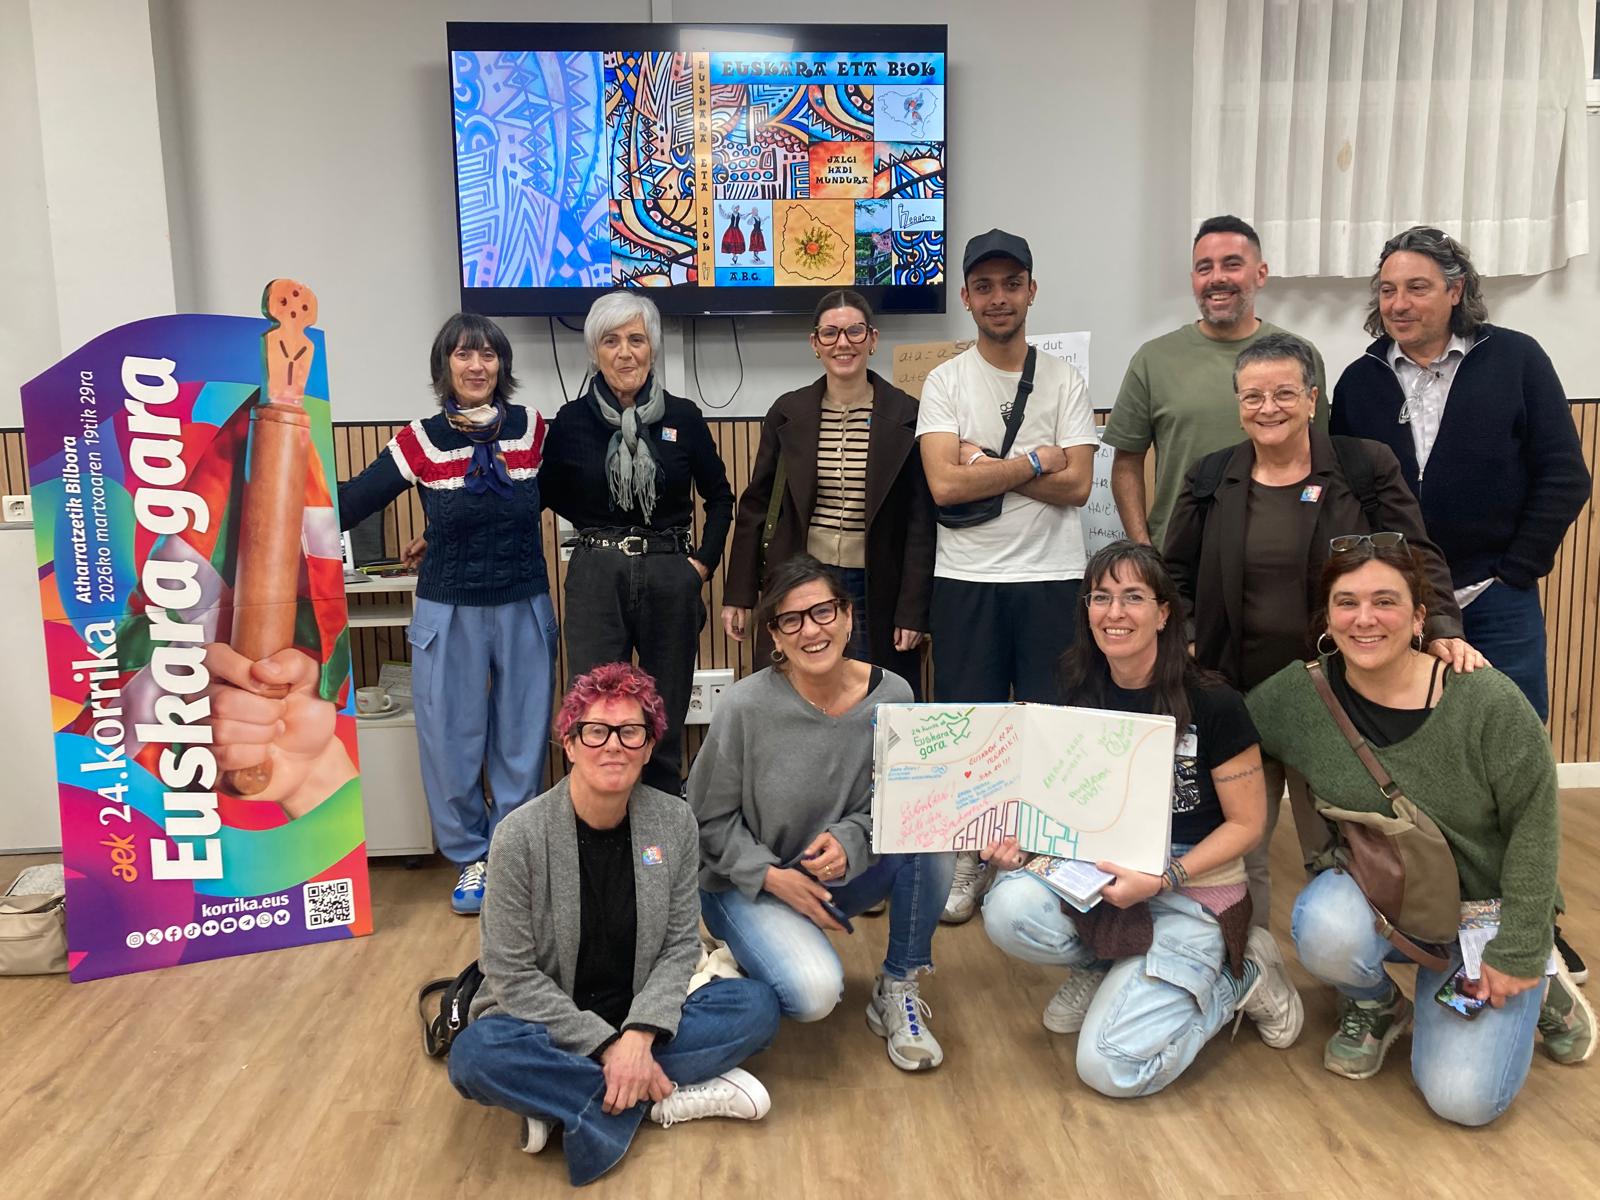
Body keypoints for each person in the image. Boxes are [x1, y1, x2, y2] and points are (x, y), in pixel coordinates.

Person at [1246, 539, 1594, 1125]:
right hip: (1393, 894)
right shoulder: (1297, 697)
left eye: (1385, 601)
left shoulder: (1486, 699)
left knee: (1463, 1100)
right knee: (1323, 927)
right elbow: (1223, 732)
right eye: (1347, 602)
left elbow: (1535, 830)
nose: (1365, 618)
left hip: (1487, 912)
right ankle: (1378, 1005)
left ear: (1418, 618)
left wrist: (1518, 948)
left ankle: (1542, 980)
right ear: (1327, 619)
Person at [1330, 227, 1593, 983]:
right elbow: (1345, 494)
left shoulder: (1516, 360)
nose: (1399, 302)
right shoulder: (1360, 381)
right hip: (1398, 616)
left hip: (1494, 600)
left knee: (1515, 769)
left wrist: (1517, 571)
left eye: (1417, 287)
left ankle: (1535, 924)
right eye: (1387, 289)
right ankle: (1432, 919)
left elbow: (1564, 475)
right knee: (1417, 768)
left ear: (1456, 290)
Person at [1163, 331, 1483, 929]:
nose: (1269, 408)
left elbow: (1415, 555)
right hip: (1237, 696)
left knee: (1339, 852)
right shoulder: (1210, 477)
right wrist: (1187, 637)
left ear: (1313, 398)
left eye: (1284, 393)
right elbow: (1173, 573)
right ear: (1238, 403)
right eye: (1253, 396)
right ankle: (1245, 964)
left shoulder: (1364, 466)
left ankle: (1351, 968)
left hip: (1337, 701)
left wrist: (1441, 624)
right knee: (1239, 851)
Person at [980, 541, 1303, 1097]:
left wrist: (1164, 878)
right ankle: (1106, 967)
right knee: (1007, 906)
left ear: (1163, 613)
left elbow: (1248, 825)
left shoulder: (1214, 702)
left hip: (1193, 887)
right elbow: (1059, 800)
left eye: (1133, 597)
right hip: (1103, 873)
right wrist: (1021, 843)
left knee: (1109, 1069)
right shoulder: (1073, 686)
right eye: (1100, 597)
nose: (1115, 612)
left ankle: (1240, 978)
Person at [447, 663, 780, 1187]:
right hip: (552, 1019)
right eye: (596, 731)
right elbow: (509, 974)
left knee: (757, 1007)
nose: (614, 746)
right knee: (475, 1057)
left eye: (631, 732)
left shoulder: (674, 821)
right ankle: (656, 1097)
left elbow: (678, 947)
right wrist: (609, 1047)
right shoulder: (520, 835)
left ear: (648, 748)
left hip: (639, 1009)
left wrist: (639, 1035)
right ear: (569, 743)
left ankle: (567, 1102)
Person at [690, 554, 956, 1072]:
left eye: (823, 612)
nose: (811, 630)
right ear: (775, 635)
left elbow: (904, 803)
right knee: (813, 995)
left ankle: (897, 984)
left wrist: (852, 839)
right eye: (791, 620)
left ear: (848, 616)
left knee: (931, 836)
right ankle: (744, 946)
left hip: (836, 876)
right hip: (746, 883)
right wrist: (772, 877)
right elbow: (705, 820)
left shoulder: (896, 696)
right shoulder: (745, 707)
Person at [337, 313, 558, 914]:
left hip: (523, 602)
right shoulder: (422, 439)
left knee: (522, 738)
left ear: (503, 365)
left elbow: (556, 495)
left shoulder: (533, 430)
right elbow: (353, 501)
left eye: (488, 354)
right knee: (450, 739)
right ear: (445, 366)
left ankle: (512, 854)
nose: (477, 366)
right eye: (463, 355)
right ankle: (470, 856)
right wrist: (276, 484)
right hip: (449, 608)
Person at [916, 228, 1098, 923]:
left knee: (1050, 726)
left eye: (1011, 284)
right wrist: (1035, 461)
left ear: (1032, 291)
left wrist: (982, 463)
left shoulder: (1065, 380)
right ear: (966, 297)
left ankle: (1044, 855)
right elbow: (943, 485)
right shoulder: (945, 382)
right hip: (966, 578)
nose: (999, 298)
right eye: (985, 286)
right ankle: (970, 854)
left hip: (1053, 575)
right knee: (972, 728)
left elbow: (1078, 486)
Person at [540, 291, 735, 795]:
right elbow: (540, 495)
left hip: (671, 574)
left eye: (636, 339)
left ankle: (662, 817)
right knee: (593, 708)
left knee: (663, 711)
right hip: (596, 577)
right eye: (611, 341)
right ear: (595, 352)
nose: (625, 353)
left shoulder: (684, 417)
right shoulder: (570, 422)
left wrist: (700, 566)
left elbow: (720, 498)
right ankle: (597, 815)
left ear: (652, 349)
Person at [722, 289, 935, 691]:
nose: (843, 343)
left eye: (855, 331)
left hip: (877, 585)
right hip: (803, 578)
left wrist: (913, 610)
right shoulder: (787, 412)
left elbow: (920, 521)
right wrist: (739, 593)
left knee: (873, 696)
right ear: (815, 343)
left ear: (872, 339)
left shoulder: (907, 414)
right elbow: (756, 506)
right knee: (798, 694)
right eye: (830, 333)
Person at [1103, 215, 1328, 550]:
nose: (1217, 278)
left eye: (1232, 264)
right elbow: (1126, 462)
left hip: (1280, 551)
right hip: (1180, 553)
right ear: (1193, 279)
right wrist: (1143, 549)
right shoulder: (1153, 360)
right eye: (1204, 268)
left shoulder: (1299, 356)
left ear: (1261, 273)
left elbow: (1320, 456)